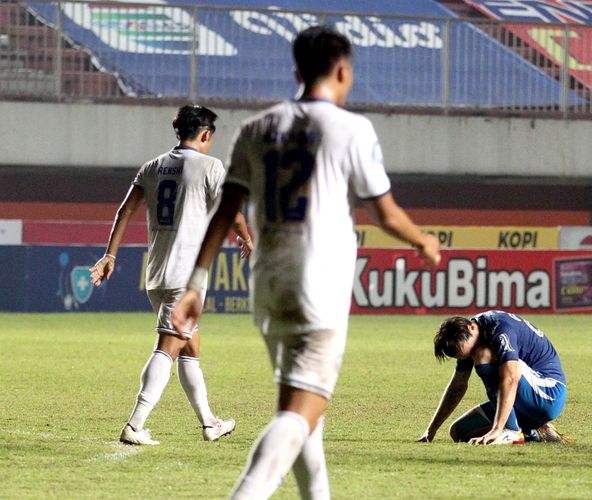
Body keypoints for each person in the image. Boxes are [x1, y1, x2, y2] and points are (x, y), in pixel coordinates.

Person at [172, 25, 441, 499]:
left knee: (301, 416)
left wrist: (196, 281)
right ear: (343, 71)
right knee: (299, 417)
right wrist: (423, 241)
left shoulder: (256, 129)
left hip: (269, 286)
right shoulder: (352, 129)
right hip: (319, 289)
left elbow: (226, 209)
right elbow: (385, 212)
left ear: (296, 71)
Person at [89, 104, 253, 446]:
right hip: (186, 276)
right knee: (167, 347)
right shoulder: (211, 166)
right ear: (206, 135)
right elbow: (231, 211)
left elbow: (125, 210)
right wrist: (247, 237)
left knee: (190, 347)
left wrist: (110, 255)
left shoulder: (152, 167)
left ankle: (210, 423)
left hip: (157, 273)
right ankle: (134, 425)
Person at [418, 310, 571, 445]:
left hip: (549, 393)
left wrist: (497, 429)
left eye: (467, 351)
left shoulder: (500, 328)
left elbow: (510, 377)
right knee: (458, 432)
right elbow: (457, 386)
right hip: (525, 402)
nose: (468, 356)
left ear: (470, 327)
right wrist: (431, 430)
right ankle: (534, 432)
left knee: (483, 356)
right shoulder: (471, 336)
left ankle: (510, 430)